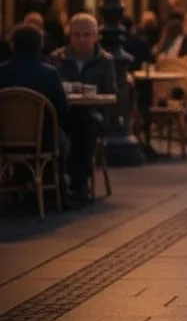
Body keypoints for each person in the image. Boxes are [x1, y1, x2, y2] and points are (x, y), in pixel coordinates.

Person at [49, 13, 117, 204]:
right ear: (69, 36)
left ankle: (78, 185)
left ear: (95, 36)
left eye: (87, 35)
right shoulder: (58, 58)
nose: (82, 40)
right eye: (77, 35)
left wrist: (92, 95)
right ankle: (56, 184)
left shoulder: (105, 60)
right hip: (65, 113)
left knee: (86, 125)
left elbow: (111, 93)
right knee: (52, 129)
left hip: (92, 114)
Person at [0, 24, 69, 188]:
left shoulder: (1, 72)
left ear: (12, 44)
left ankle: (18, 180)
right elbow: (62, 109)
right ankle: (55, 185)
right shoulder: (49, 74)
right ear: (40, 45)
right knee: (63, 137)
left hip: (4, 139)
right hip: (42, 141)